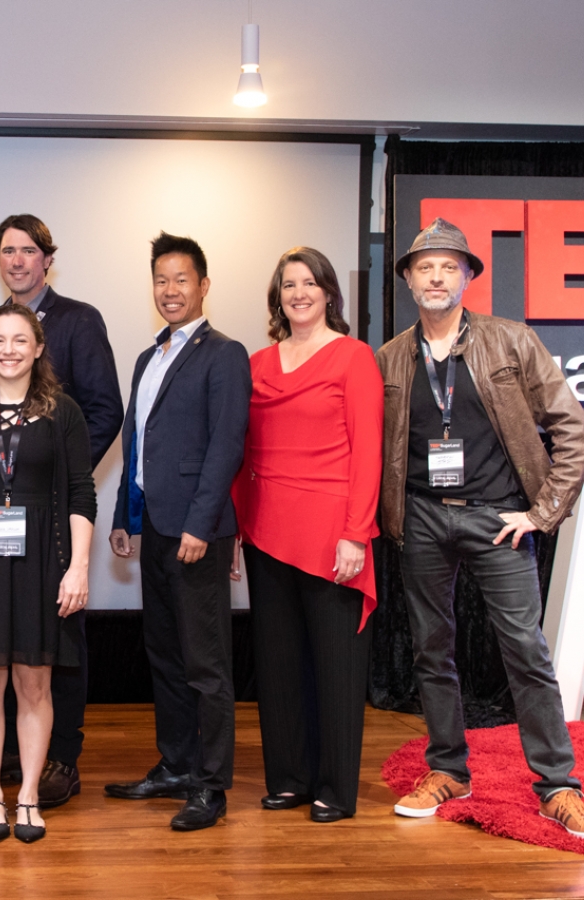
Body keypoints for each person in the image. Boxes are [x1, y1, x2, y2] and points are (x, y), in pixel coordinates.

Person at [378, 218, 584, 836]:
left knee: (525, 651)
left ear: (467, 276)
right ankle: (448, 769)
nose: (436, 276)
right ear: (409, 280)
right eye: (425, 267)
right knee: (431, 651)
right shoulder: (390, 358)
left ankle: (558, 784)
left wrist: (542, 512)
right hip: (420, 519)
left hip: (498, 520)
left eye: (449, 266)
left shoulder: (511, 341)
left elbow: (572, 428)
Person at [0, 214, 123, 807]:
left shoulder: (80, 321)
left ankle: (63, 756)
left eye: (28, 251)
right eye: (6, 251)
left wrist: (63, 467)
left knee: (60, 634)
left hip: (56, 504)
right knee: (4, 633)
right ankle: (11, 753)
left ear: (46, 259)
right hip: (1, 508)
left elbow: (105, 408)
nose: (16, 261)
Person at [104, 233, 251, 831]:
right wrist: (123, 516)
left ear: (204, 286)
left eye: (181, 279)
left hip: (198, 531)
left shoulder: (225, 353)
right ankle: (175, 765)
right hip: (155, 527)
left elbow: (226, 447)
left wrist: (201, 523)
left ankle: (210, 786)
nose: (170, 290)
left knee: (206, 663)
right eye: (161, 280)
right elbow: (137, 445)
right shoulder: (149, 357)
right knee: (163, 655)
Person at [231, 247, 382, 823]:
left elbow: (367, 453)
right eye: (288, 284)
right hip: (267, 529)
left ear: (327, 293)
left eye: (309, 283)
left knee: (336, 667)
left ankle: (335, 788)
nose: (299, 292)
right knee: (279, 663)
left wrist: (355, 534)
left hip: (331, 534)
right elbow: (244, 451)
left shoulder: (354, 358)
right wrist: (237, 530)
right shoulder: (256, 363)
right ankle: (289, 778)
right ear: (279, 297)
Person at [0, 303, 96, 843]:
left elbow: (81, 493)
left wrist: (78, 567)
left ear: (38, 347)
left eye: (19, 340)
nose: (8, 349)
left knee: (34, 684)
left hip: (41, 563)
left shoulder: (63, 412)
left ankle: (28, 793)